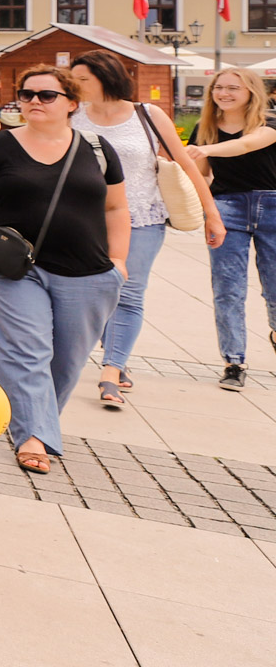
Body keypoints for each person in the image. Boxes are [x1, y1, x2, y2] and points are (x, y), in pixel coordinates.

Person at [0, 66, 128, 475]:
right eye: (27, 93)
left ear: (72, 104)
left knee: (67, 362)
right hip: (14, 269)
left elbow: (117, 208)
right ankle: (33, 437)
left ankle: (33, 419)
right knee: (25, 353)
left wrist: (120, 262)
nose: (34, 100)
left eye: (47, 95)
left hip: (88, 272)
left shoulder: (98, 148)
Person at [71, 51, 224, 406]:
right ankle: (115, 352)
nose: (74, 86)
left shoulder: (147, 114)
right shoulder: (73, 115)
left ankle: (112, 368)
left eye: (82, 80)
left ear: (106, 77)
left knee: (129, 292)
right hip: (83, 220)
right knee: (96, 293)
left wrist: (211, 213)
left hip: (142, 218)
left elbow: (185, 163)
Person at [185, 67, 276, 391]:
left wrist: (204, 150)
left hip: (273, 208)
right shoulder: (205, 128)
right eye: (218, 88)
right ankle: (233, 362)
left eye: (233, 88)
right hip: (227, 209)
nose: (223, 93)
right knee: (228, 290)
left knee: (274, 289)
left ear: (250, 91)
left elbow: (245, 146)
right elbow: (201, 173)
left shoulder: (269, 124)